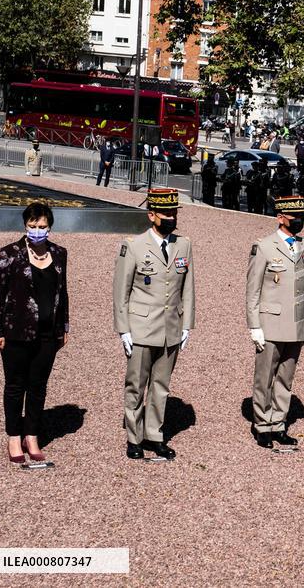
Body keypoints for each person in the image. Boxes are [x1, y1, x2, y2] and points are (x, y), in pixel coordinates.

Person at [113, 189, 195, 460]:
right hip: (141, 328)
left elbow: (188, 288)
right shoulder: (133, 246)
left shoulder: (183, 245)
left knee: (161, 386)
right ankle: (134, 437)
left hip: (170, 328)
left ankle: (154, 435)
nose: (171, 218)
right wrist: (123, 329)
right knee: (136, 385)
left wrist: (187, 325)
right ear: (151, 215)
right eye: (165, 214)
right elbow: (121, 292)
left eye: (173, 213)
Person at [0, 202, 69, 464]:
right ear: (25, 226)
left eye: (42, 226)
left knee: (38, 387)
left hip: (48, 333)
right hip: (16, 332)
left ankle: (31, 434)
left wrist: (64, 326)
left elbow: (62, 292)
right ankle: (14, 436)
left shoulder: (59, 253)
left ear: (50, 226)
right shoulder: (9, 253)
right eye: (32, 226)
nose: (37, 231)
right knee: (15, 386)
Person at [246, 196, 304, 448]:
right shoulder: (264, 246)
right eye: (294, 217)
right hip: (270, 322)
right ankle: (262, 425)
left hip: (297, 323)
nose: (299, 221)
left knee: (286, 378)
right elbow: (253, 291)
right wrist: (254, 325)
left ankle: (278, 423)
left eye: (301, 217)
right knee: (265, 377)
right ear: (280, 218)